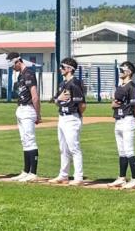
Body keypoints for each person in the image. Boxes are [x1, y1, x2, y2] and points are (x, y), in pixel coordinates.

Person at [49, 57, 87, 185]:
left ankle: (78, 177)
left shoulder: (75, 83)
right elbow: (56, 101)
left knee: (74, 148)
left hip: (72, 117)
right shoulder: (62, 84)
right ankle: (63, 175)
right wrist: (58, 99)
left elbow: (82, 105)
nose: (60, 69)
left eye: (62, 67)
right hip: (62, 117)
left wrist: (77, 117)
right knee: (63, 148)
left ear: (69, 69)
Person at [7, 52, 42, 182]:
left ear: (18, 61)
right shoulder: (20, 76)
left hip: (28, 109)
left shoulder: (29, 74)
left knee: (30, 139)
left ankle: (33, 172)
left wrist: (38, 114)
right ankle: (26, 170)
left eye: (12, 64)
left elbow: (35, 95)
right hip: (21, 108)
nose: (12, 67)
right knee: (25, 140)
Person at [109, 61, 135, 189]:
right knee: (121, 151)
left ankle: (134, 179)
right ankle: (122, 178)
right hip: (118, 119)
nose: (120, 72)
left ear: (129, 72)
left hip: (128, 119)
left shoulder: (132, 87)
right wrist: (113, 105)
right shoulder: (120, 86)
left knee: (129, 150)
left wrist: (132, 118)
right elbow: (117, 102)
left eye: (123, 70)